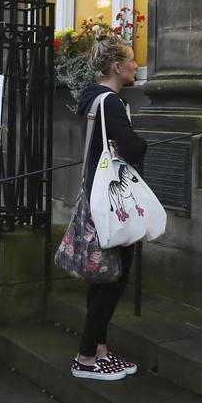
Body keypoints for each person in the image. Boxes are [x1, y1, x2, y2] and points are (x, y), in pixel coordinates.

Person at [73, 36, 146, 380]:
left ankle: (99, 349)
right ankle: (87, 357)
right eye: (131, 60)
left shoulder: (91, 99)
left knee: (101, 276)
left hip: (96, 195)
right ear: (117, 66)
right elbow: (132, 148)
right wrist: (140, 142)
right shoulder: (111, 103)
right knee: (113, 278)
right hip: (114, 202)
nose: (136, 65)